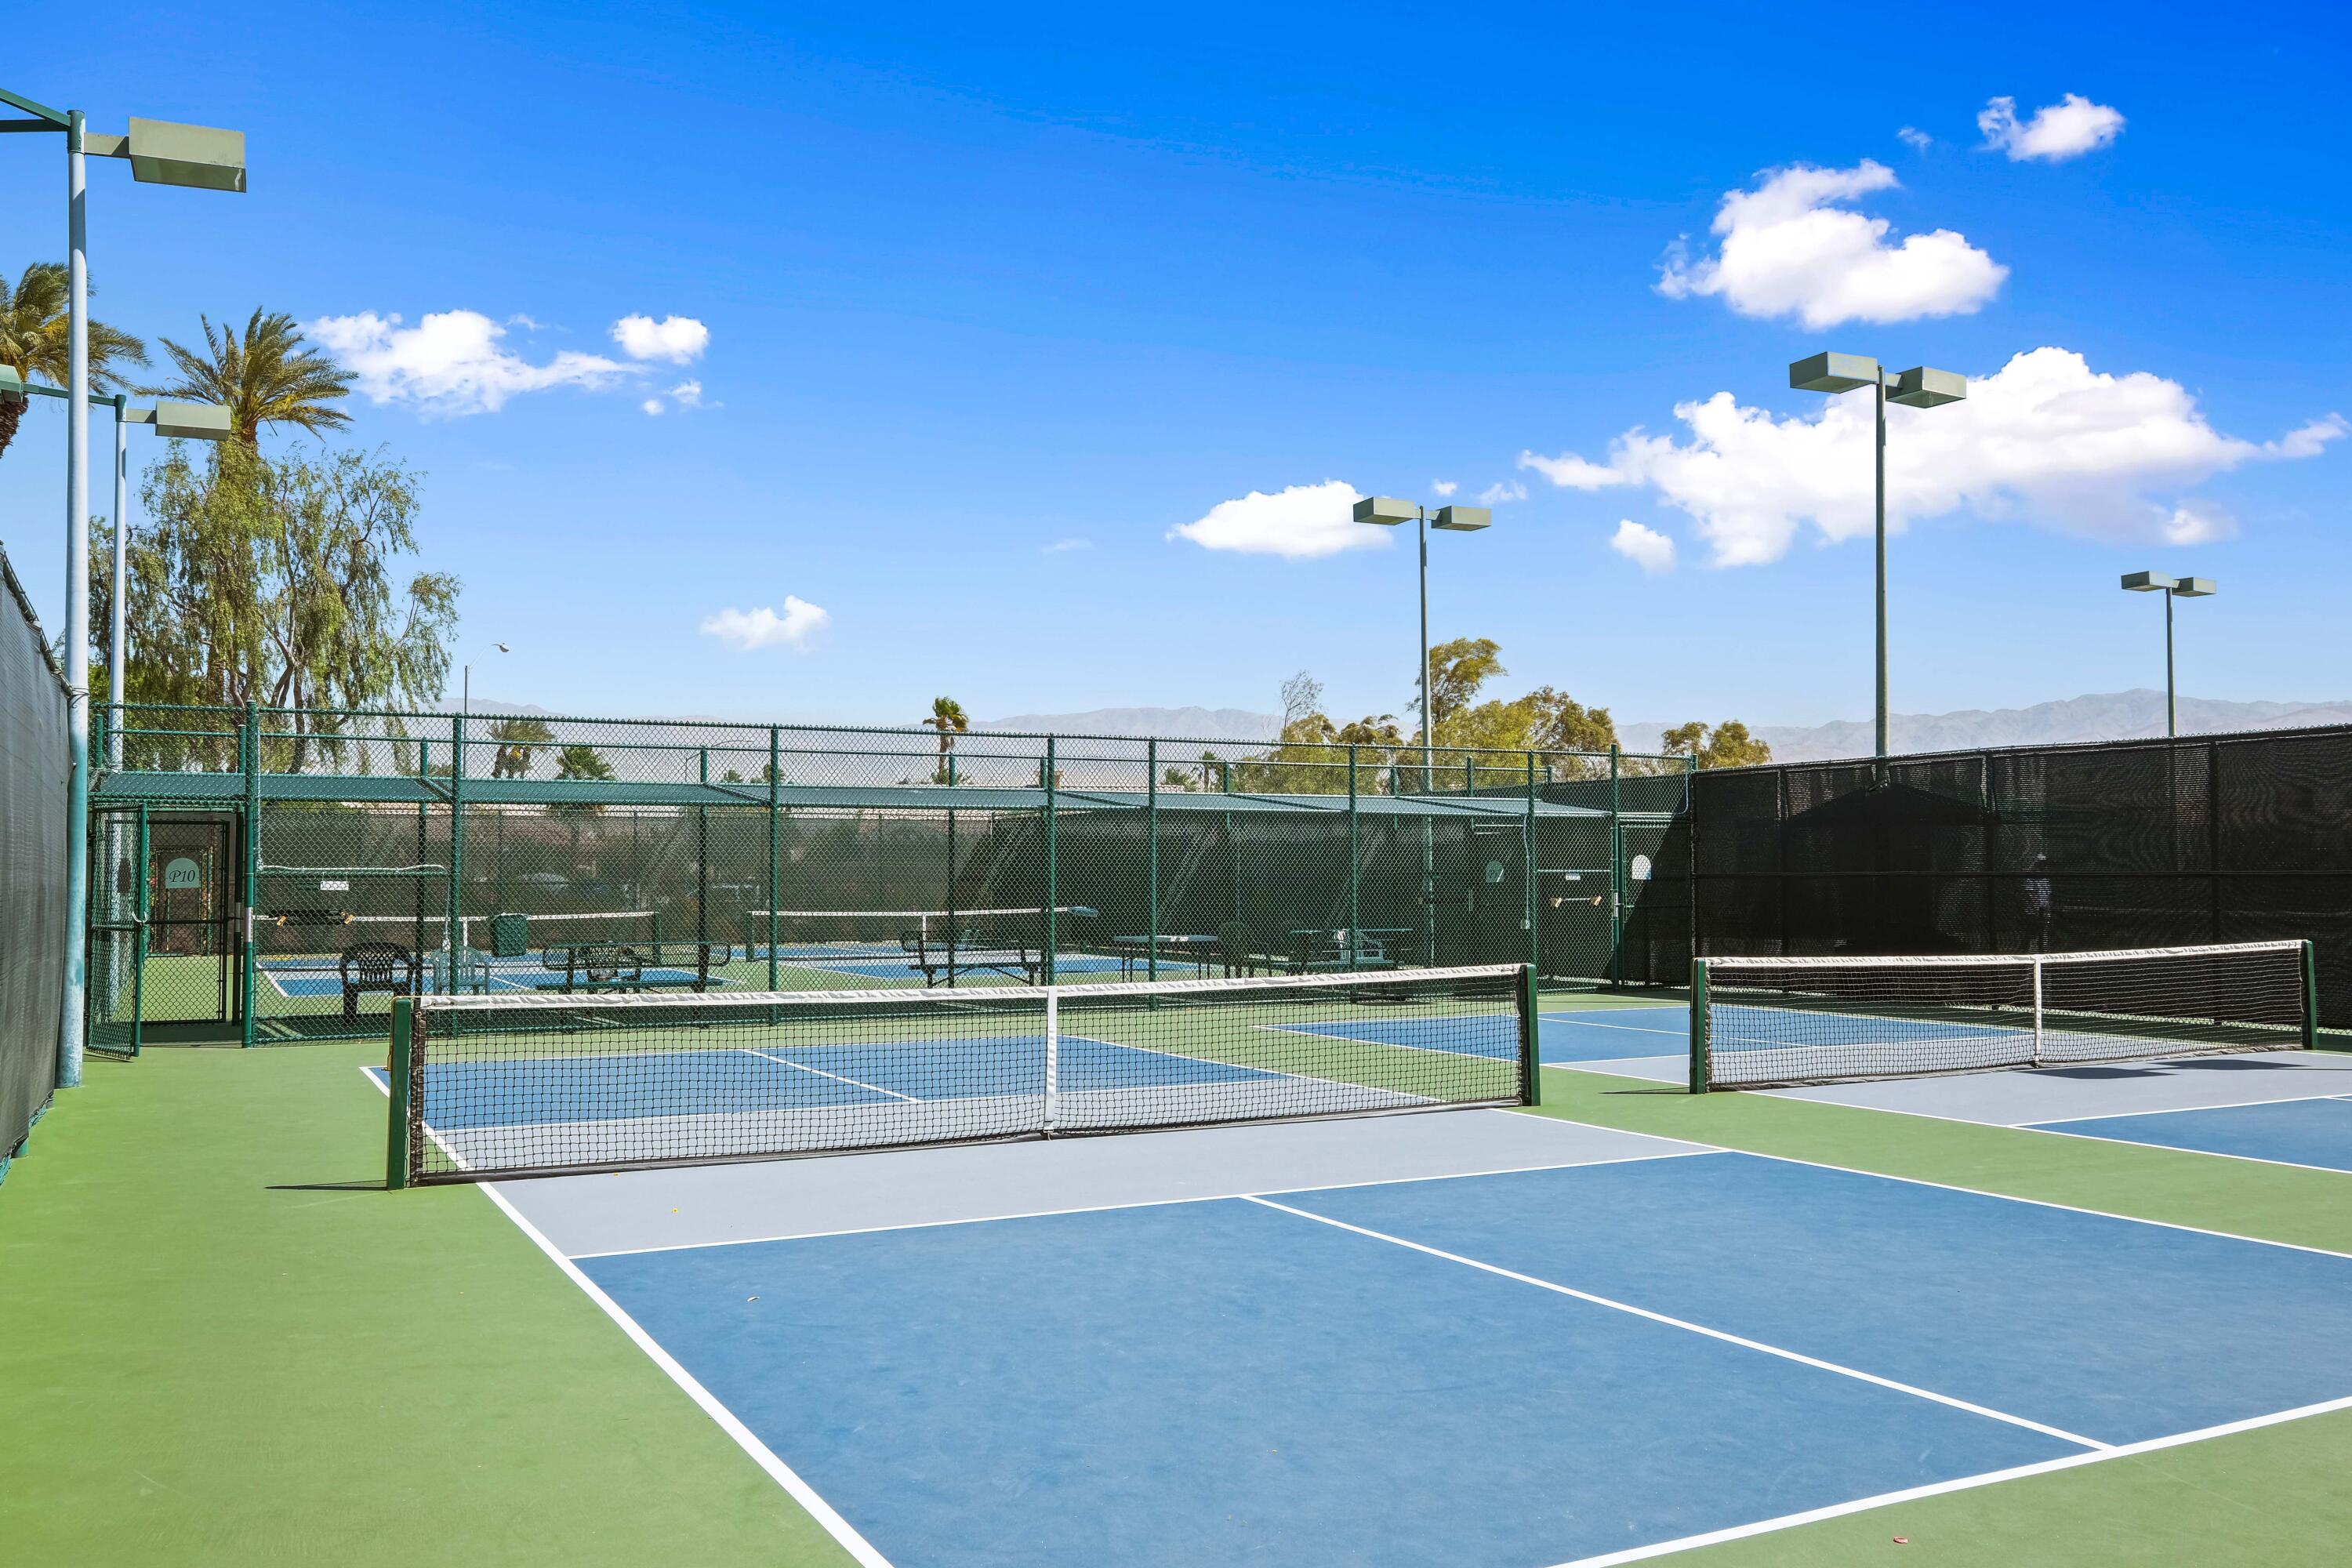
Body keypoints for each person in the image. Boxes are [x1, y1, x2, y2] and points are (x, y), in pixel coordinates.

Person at [2024, 853, 2054, 952]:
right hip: (2033, 911)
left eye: (2043, 863)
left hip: (2044, 909)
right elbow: (2029, 894)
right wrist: (2035, 909)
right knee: (2032, 931)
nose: (2042, 865)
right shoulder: (2030, 877)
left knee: (2043, 930)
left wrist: (2048, 908)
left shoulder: (2045, 878)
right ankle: (2030, 950)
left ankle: (2042, 950)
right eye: (2040, 863)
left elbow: (2048, 894)